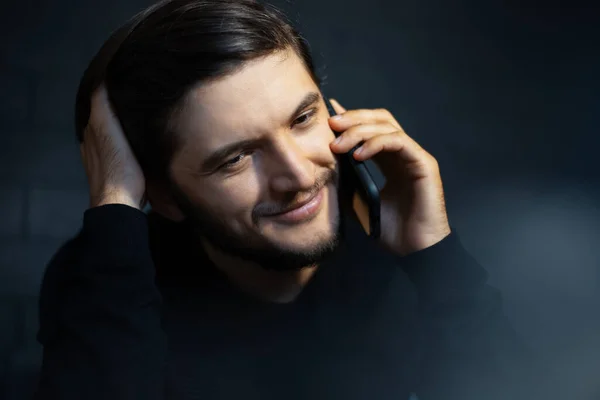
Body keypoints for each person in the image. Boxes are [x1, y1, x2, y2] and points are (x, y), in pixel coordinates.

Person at [33, 1, 533, 399]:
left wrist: (435, 259)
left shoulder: (403, 260)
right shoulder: (105, 279)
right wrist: (116, 199)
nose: (297, 175)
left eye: (302, 119)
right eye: (235, 158)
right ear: (163, 196)